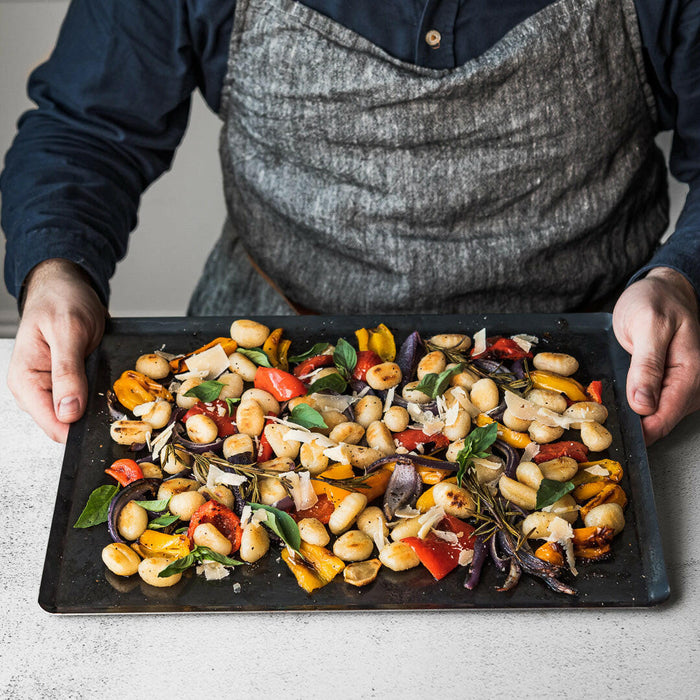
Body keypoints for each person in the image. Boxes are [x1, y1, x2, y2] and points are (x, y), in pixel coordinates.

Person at [2, 0, 699, 445]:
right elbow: (86, 128)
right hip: (257, 376)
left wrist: (683, 278)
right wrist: (57, 270)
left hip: (589, 377)